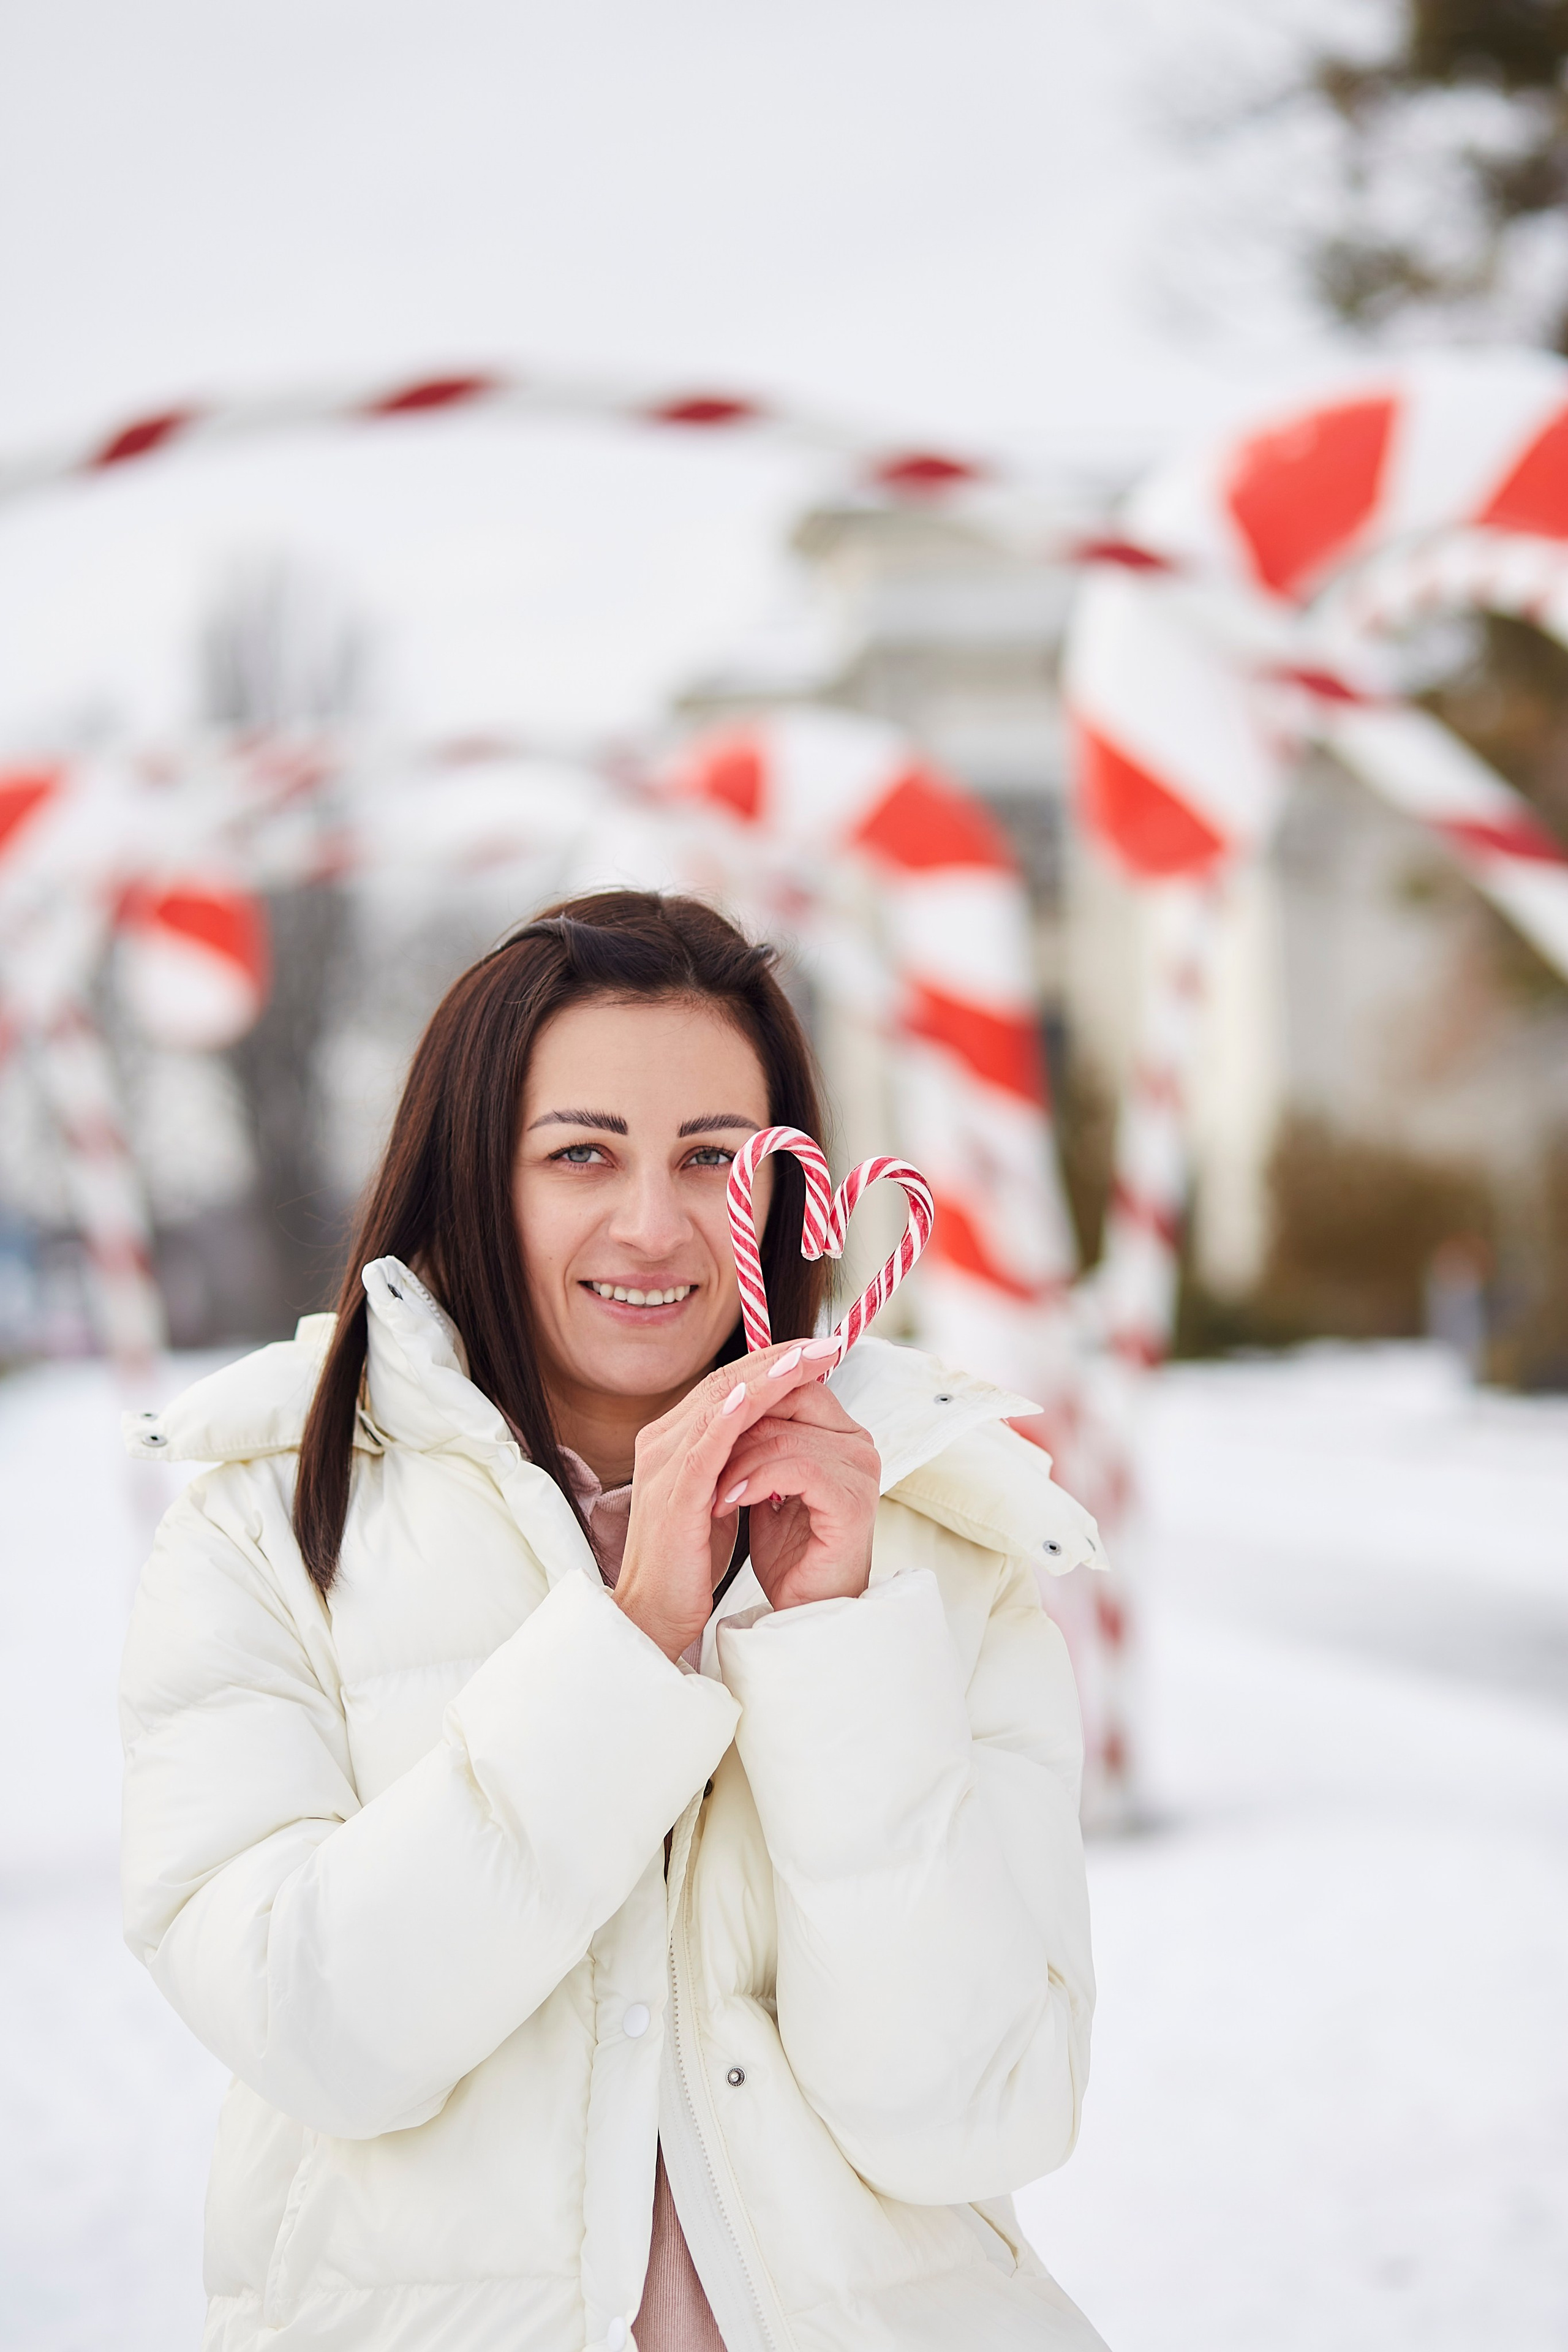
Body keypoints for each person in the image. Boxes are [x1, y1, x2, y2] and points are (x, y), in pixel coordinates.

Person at [119, 889, 1108, 2352]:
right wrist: (630, 1641)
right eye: (580, 1152)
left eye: (711, 1156)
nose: (653, 1226)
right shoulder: (267, 1526)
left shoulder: (941, 1543)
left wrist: (834, 1643)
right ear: (473, 1175)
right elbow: (315, 2031)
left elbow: (976, 2113)